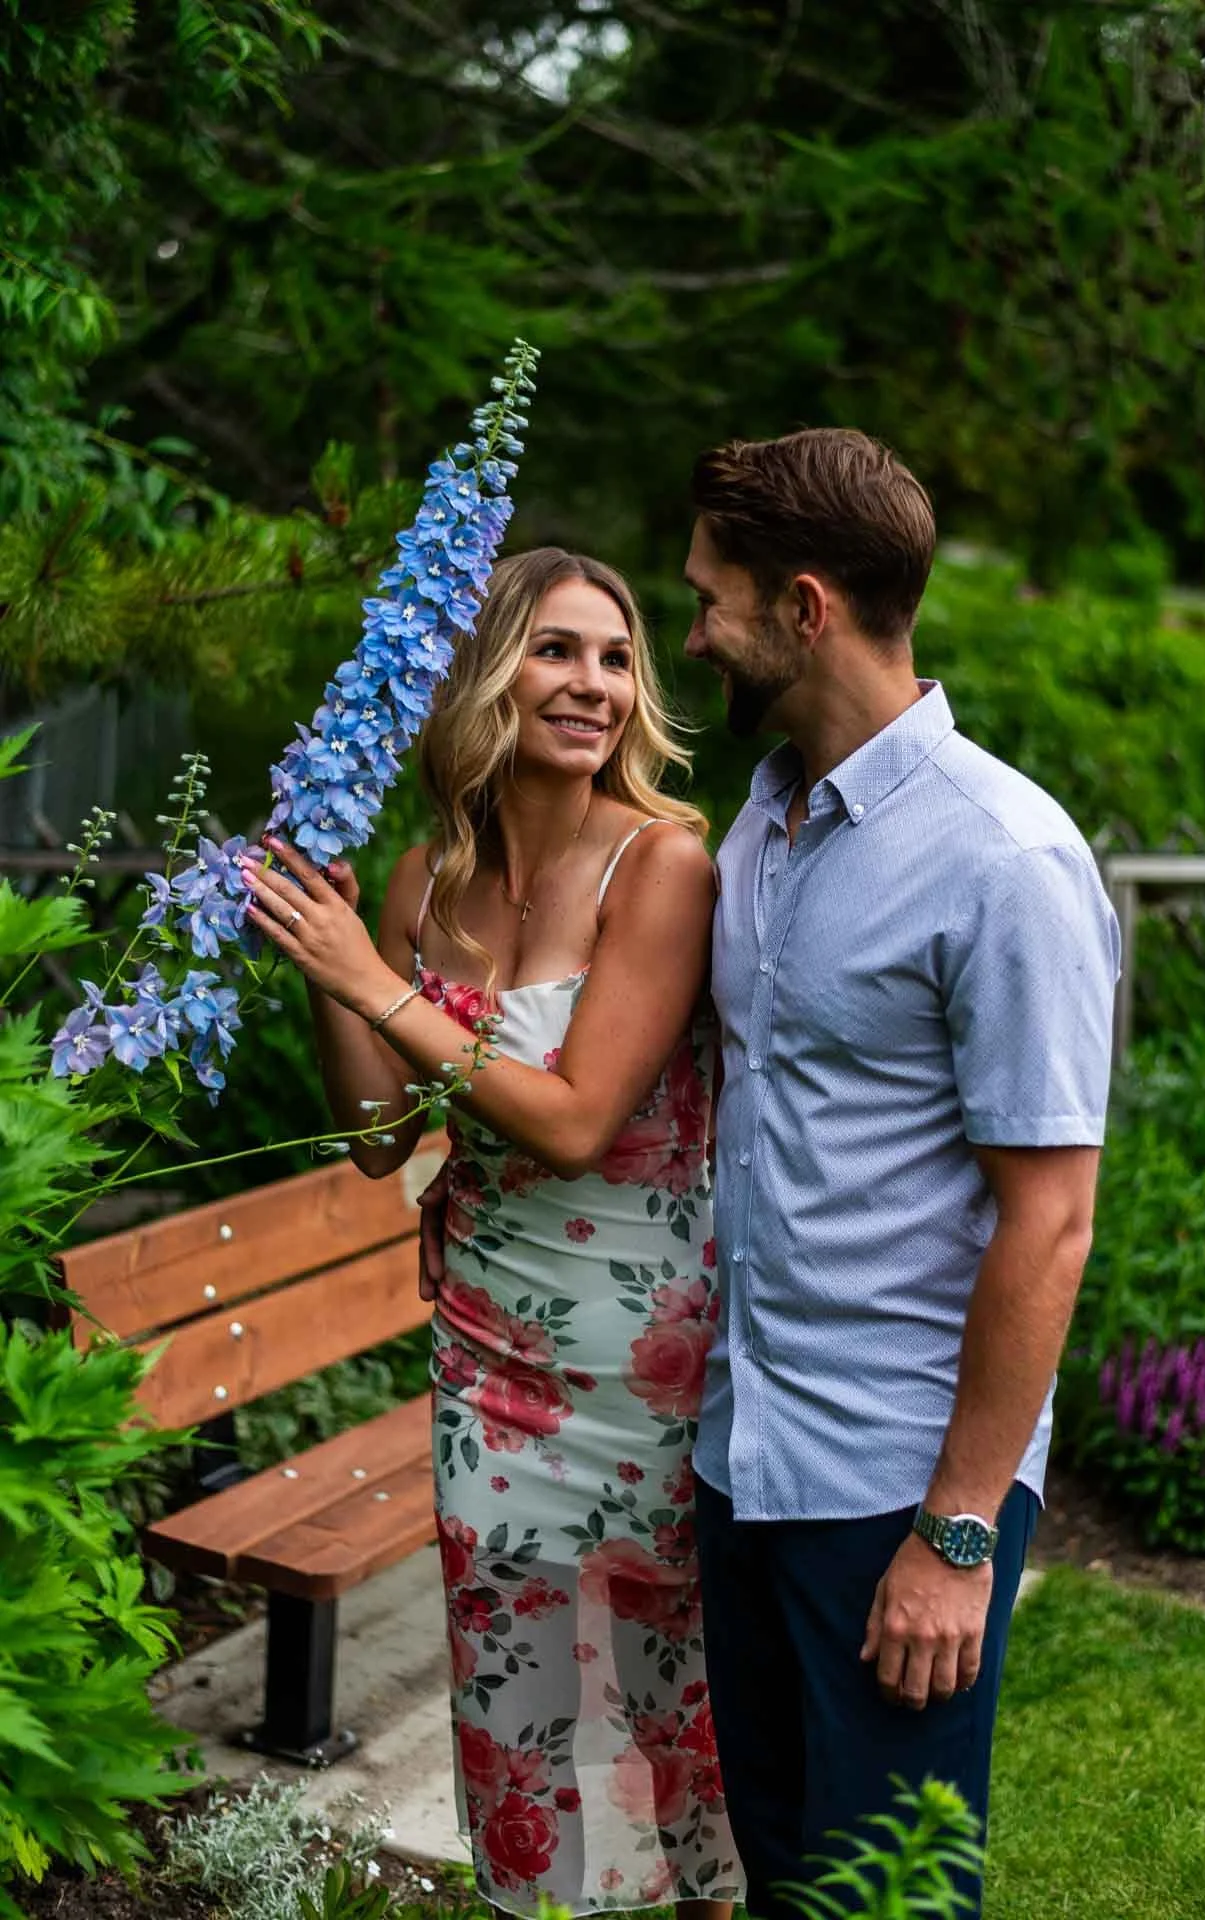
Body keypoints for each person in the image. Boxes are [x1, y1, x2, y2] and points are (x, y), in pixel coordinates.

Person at [241, 548, 740, 1920]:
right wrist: (335, 960)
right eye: (556, 650)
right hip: (486, 1358)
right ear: (481, 675)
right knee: (513, 1715)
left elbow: (577, 1119)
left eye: (617, 656)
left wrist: (371, 984)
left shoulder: (666, 861)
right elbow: (379, 1138)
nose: (593, 683)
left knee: (670, 1713)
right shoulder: (425, 881)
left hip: (648, 1370)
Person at [681, 430, 1120, 1918]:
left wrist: (958, 1533)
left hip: (896, 1487)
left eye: (710, 599)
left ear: (804, 608)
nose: (694, 633)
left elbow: (1051, 1222)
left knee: (890, 1902)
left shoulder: (1005, 860)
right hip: (748, 1460)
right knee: (791, 1884)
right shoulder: (765, 825)